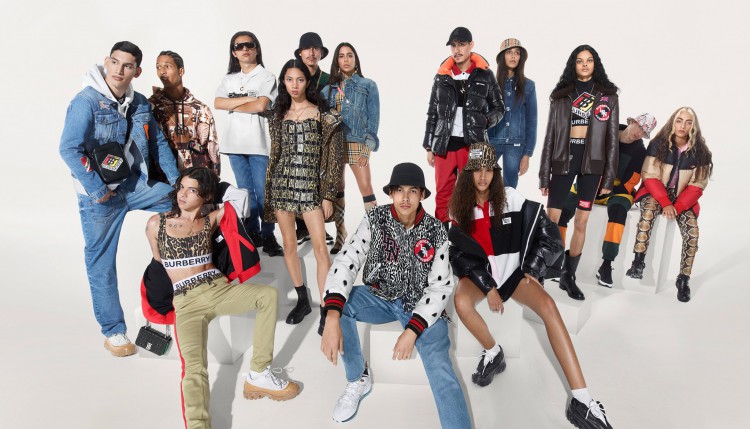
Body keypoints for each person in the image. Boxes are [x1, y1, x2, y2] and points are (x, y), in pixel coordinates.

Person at [449, 143, 614, 429]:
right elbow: (459, 255)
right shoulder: (460, 209)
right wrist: (487, 287)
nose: (483, 176)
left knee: (548, 306)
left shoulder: (511, 199)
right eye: (477, 170)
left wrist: (532, 269)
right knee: (461, 302)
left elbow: (551, 237)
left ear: (496, 172)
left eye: (489, 169)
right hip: (482, 276)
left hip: (514, 275)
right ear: (468, 174)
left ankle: (581, 399)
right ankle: (493, 352)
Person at [145, 167, 300, 429]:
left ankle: (259, 373)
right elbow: (158, 261)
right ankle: (198, 425)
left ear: (206, 195)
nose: (182, 194)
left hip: (218, 289)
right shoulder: (156, 223)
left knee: (267, 295)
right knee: (194, 369)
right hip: (186, 301)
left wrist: (213, 187)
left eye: (191, 190)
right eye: (181, 187)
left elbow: (241, 198)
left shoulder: (211, 219)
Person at [321, 163, 471, 428]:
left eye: (412, 191)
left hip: (421, 306)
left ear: (422, 195)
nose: (405, 198)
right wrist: (331, 316)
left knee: (442, 371)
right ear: (391, 193)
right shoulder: (375, 219)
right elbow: (347, 259)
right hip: (380, 296)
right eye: (399, 190)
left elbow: (440, 287)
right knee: (339, 306)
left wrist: (412, 330)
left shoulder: (436, 231)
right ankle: (357, 379)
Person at [59, 41, 180, 356]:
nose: (118, 70)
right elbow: (68, 148)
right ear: (106, 62)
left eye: (127, 65)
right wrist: (98, 190)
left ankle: (182, 284)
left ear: (137, 71)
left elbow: (157, 145)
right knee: (101, 262)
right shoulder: (86, 101)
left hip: (132, 185)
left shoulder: (138, 102)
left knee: (183, 204)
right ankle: (113, 330)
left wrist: (179, 184)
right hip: (99, 197)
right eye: (114, 62)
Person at [264, 59, 343, 329]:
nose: (294, 85)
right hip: (282, 184)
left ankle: (325, 308)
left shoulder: (324, 115)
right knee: (288, 245)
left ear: (307, 82)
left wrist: (328, 195)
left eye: (299, 79)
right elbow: (276, 155)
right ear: (283, 82)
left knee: (321, 249)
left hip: (311, 187)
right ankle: (301, 299)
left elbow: (333, 159)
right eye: (289, 79)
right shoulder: (278, 115)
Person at [538, 44, 619, 300]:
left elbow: (612, 140)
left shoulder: (608, 96)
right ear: (573, 65)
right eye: (580, 60)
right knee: (552, 220)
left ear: (596, 64)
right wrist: (544, 174)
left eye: (589, 60)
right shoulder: (561, 96)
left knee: (581, 222)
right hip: (564, 159)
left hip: (592, 164)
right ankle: (545, 269)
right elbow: (550, 136)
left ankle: (568, 276)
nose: (584, 64)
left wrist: (608, 177)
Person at [556, 113, 656, 287]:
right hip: (590, 182)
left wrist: (608, 190)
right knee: (562, 210)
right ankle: (557, 259)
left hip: (617, 190)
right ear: (631, 121)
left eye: (644, 132)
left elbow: (632, 180)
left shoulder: (640, 152)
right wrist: (592, 184)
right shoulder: (604, 133)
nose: (639, 133)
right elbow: (585, 158)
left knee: (619, 211)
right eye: (639, 127)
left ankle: (606, 264)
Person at [625, 107, 712, 302]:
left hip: (683, 197)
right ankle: (638, 262)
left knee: (692, 234)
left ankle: (683, 279)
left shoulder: (701, 152)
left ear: (694, 126)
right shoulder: (659, 144)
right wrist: (665, 202)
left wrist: (677, 207)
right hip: (655, 191)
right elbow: (649, 175)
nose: (683, 126)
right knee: (648, 213)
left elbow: (698, 185)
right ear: (673, 121)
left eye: (688, 122)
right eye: (679, 121)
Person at [423, 26, 505, 229]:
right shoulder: (442, 76)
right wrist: (428, 146)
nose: (456, 50)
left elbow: (499, 108)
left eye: (461, 45)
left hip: (473, 144)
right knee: (443, 192)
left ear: (471, 45)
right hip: (444, 143)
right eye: (453, 46)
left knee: (473, 192)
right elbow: (432, 112)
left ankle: (470, 234)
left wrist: (485, 121)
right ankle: (443, 235)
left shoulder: (485, 75)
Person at [214, 31, 283, 257]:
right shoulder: (229, 78)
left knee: (264, 193)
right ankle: (253, 232)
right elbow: (218, 102)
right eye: (239, 46)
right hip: (234, 144)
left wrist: (233, 103)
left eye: (249, 44)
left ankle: (269, 234)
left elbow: (261, 106)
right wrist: (247, 99)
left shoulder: (267, 76)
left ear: (256, 48)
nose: (244, 49)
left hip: (259, 144)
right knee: (245, 193)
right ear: (234, 52)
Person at [321, 42, 380, 253]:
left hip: (357, 142)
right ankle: (341, 233)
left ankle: (375, 234)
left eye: (350, 55)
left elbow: (373, 119)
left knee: (366, 188)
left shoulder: (368, 85)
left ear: (355, 59)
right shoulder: (327, 89)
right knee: (338, 189)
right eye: (341, 56)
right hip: (335, 144)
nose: (346, 59)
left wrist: (367, 147)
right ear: (336, 60)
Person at [149, 50, 220, 177]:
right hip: (163, 179)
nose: (162, 71)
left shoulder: (200, 109)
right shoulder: (151, 107)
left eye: (167, 66)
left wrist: (213, 180)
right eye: (158, 67)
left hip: (196, 180)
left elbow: (212, 149)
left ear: (181, 71)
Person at [293, 32, 335, 246]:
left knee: (319, 179)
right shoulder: (293, 75)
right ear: (300, 53)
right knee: (297, 179)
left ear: (320, 52)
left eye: (315, 48)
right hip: (295, 134)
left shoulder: (328, 79)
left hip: (320, 135)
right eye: (307, 48)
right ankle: (301, 227)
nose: (311, 52)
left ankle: (319, 227)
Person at [487, 38, 537, 188]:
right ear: (502, 57)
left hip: (516, 144)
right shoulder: (491, 84)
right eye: (509, 52)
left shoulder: (528, 86)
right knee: (484, 184)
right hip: (491, 142)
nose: (513, 56)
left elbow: (532, 121)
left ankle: (508, 206)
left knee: (509, 189)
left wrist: (527, 154)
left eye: (517, 53)